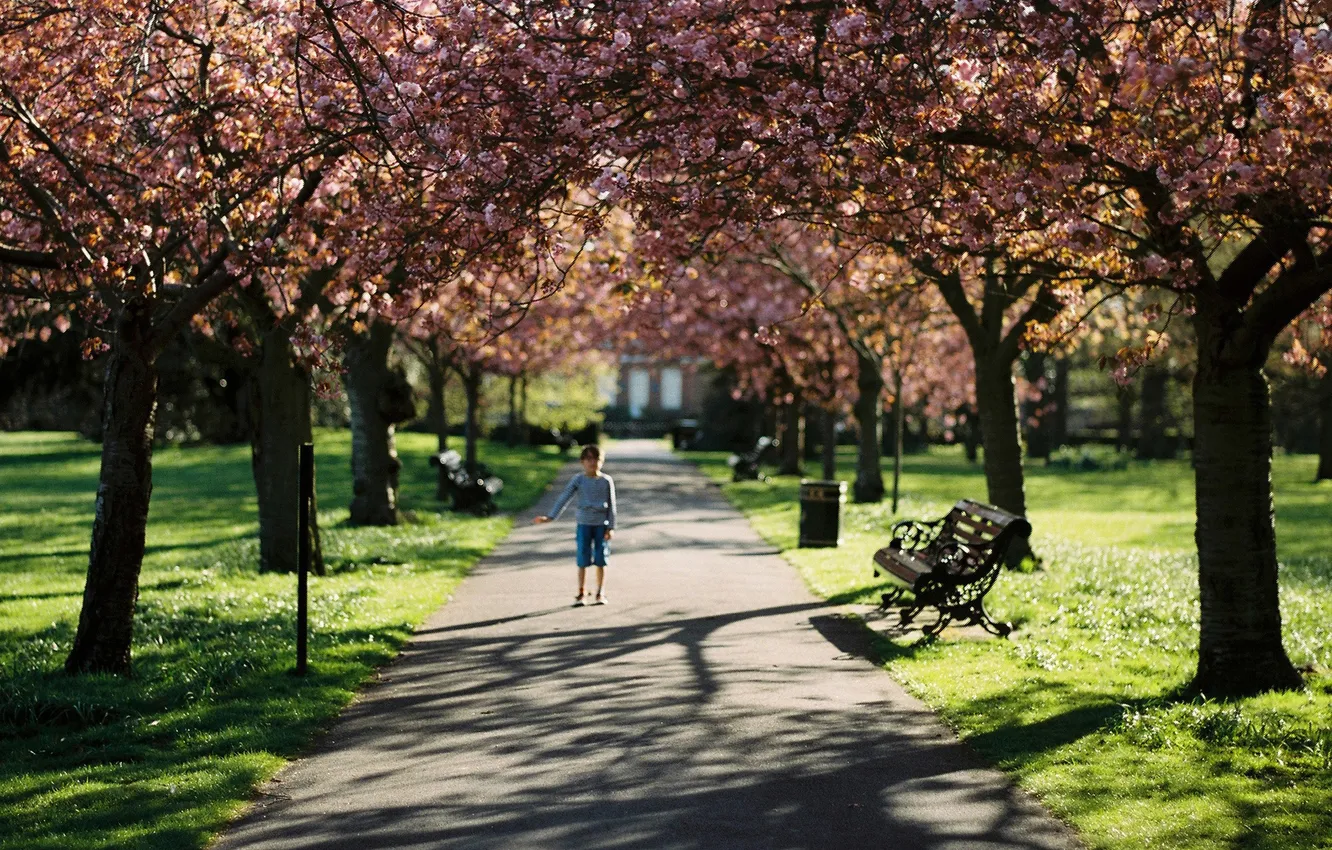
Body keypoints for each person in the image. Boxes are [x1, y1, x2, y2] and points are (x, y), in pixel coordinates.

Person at [533, 444, 617, 606]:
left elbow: (612, 506)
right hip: (584, 524)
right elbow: (564, 498)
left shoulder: (606, 481)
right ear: (582, 461)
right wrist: (551, 517)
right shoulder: (578, 480)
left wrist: (611, 527)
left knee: (601, 559)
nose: (593, 462)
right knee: (583, 559)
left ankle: (600, 592)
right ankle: (581, 592)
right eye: (589, 459)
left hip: (601, 525)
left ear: (602, 461)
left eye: (596, 459)